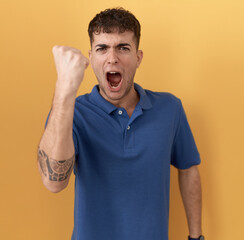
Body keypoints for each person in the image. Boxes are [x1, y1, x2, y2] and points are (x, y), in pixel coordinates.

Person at [37, 7, 204, 240]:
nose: (112, 58)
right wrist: (65, 89)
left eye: (123, 48)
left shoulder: (170, 109)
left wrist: (196, 237)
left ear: (138, 58)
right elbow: (53, 183)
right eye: (102, 48)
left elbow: (188, 169)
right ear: (91, 58)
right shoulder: (69, 112)